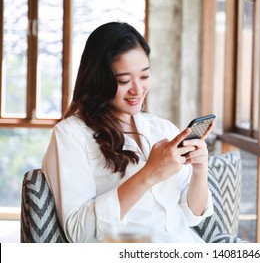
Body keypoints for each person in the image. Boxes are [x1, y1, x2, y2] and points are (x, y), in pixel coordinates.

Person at [41, 22, 214, 243]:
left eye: (144, 76)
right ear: (98, 79)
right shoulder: (71, 135)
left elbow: (192, 217)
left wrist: (200, 170)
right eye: (123, 80)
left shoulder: (161, 128)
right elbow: (79, 232)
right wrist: (149, 174)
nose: (137, 90)